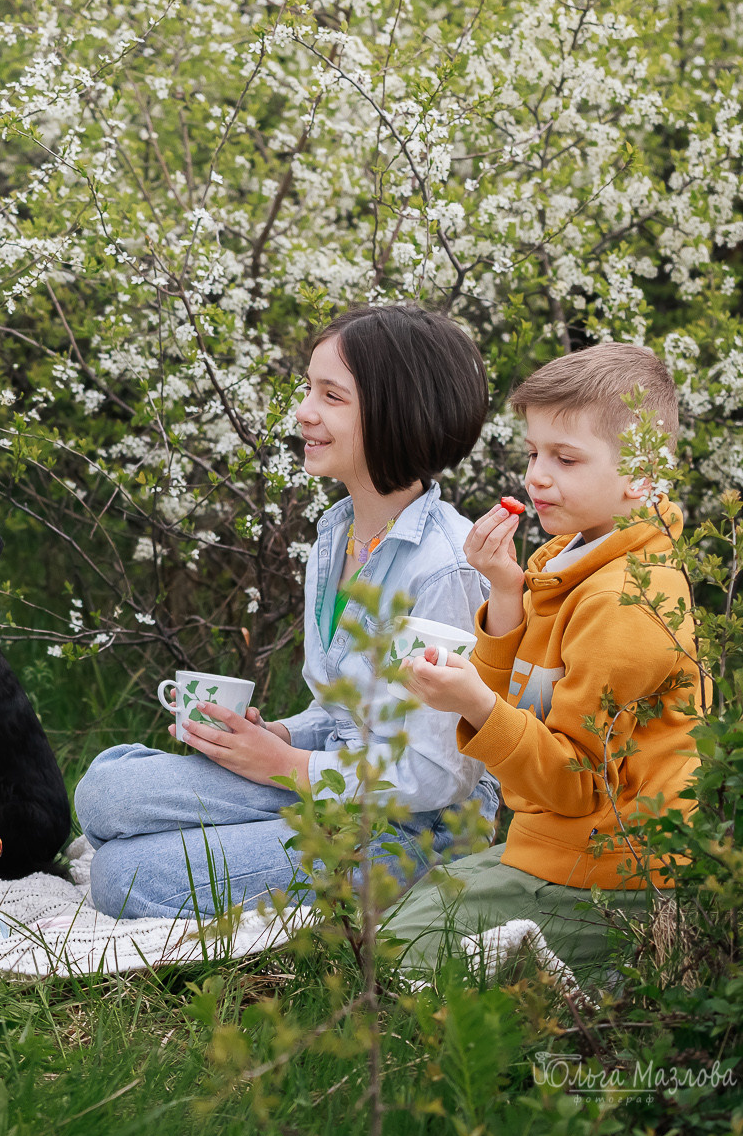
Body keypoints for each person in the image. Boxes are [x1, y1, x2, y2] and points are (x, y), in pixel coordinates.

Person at [75, 304, 500, 919]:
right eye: (309, 389)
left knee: (124, 874)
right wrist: (275, 737)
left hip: (414, 832)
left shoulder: (445, 569)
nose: (304, 412)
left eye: (331, 395)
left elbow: (437, 775)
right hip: (328, 781)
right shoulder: (335, 538)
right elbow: (339, 714)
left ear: (397, 414)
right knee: (105, 792)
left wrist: (286, 766)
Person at [387, 343, 703, 976]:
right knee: (391, 922)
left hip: (616, 874)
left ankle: (617, 968)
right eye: (534, 453)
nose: (537, 475)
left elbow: (575, 781)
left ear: (641, 473)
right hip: (549, 843)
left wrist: (473, 703)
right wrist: (506, 593)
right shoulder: (566, 560)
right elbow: (528, 700)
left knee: (401, 953)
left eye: (566, 458)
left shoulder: (623, 601)